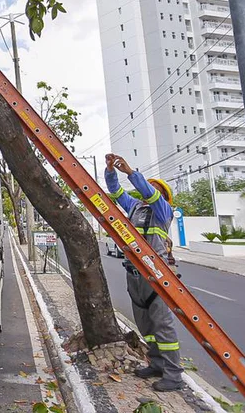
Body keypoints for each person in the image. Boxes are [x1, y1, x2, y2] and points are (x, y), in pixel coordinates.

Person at [104, 153, 185, 392]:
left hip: (157, 275)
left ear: (163, 196)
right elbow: (116, 192)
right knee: (146, 326)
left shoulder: (163, 211)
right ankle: (157, 363)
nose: (149, 190)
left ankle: (174, 374)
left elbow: (149, 193)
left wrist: (130, 171)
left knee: (163, 325)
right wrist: (111, 171)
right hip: (135, 274)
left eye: (154, 188)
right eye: (148, 186)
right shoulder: (136, 207)